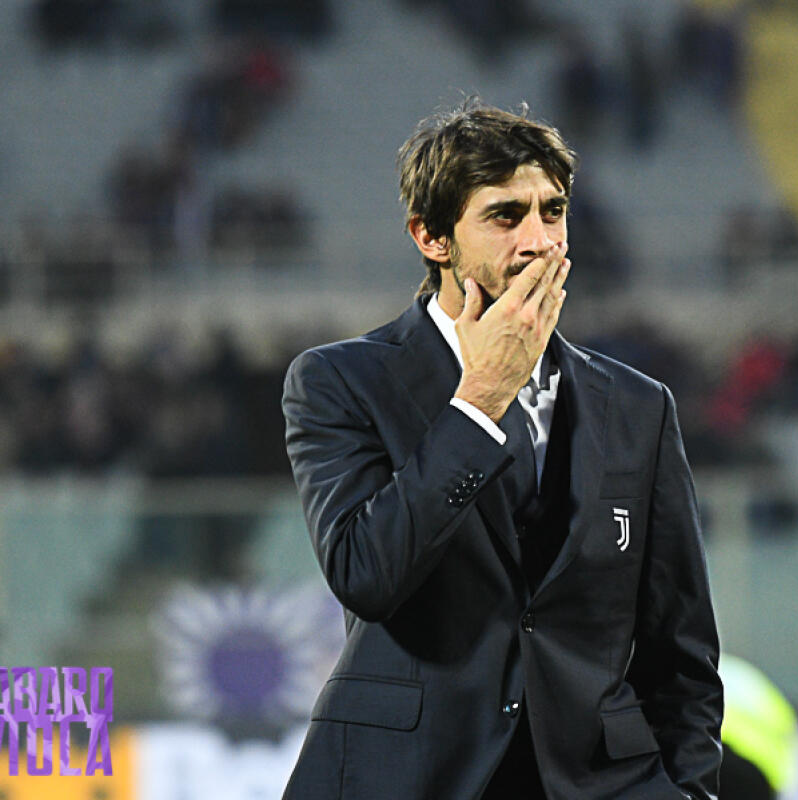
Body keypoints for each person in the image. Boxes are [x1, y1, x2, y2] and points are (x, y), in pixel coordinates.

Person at [281, 100, 722, 799]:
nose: (539, 241)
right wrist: (481, 399)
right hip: (414, 780)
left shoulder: (639, 407)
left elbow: (682, 655)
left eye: (553, 211)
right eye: (505, 216)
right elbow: (365, 572)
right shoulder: (341, 382)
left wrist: (690, 792)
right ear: (432, 237)